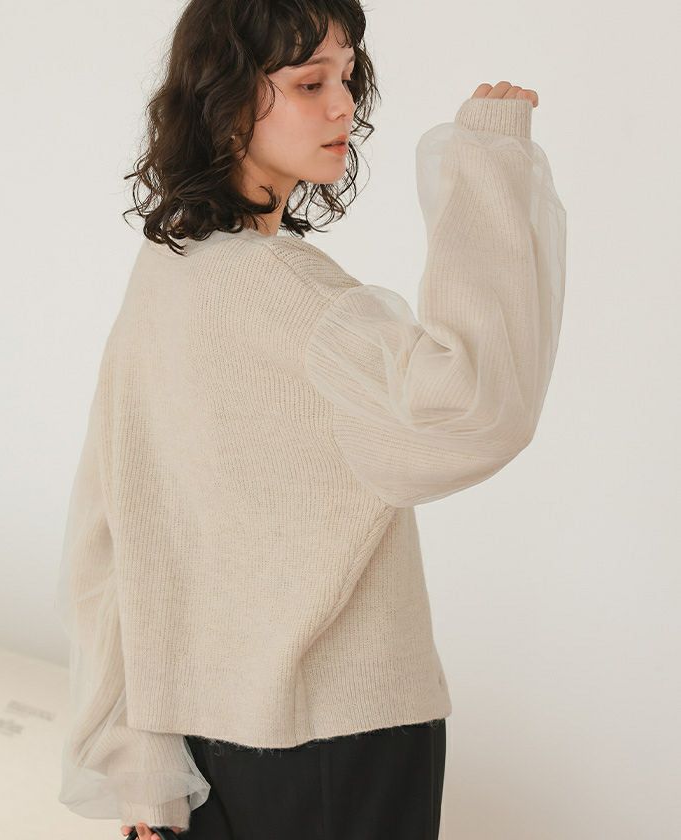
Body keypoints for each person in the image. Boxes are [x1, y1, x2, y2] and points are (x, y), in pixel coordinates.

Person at [54, 1, 566, 839]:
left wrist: (143, 773)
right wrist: (491, 167)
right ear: (226, 99)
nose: (344, 106)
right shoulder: (282, 289)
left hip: (205, 750)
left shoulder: (172, 269)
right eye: (308, 83)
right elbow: (471, 409)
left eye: (348, 77)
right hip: (339, 740)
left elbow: (113, 532)